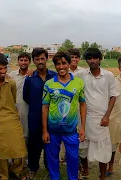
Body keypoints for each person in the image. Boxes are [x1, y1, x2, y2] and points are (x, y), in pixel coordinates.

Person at [75, 48, 119, 180]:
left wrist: (107, 116)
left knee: (103, 150)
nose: (92, 61)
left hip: (101, 119)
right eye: (89, 58)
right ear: (87, 60)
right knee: (83, 148)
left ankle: (103, 176)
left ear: (100, 59)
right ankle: (86, 172)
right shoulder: (81, 74)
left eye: (95, 58)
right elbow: (66, 77)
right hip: (84, 118)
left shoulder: (108, 75)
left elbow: (113, 96)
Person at [42, 51, 86, 180]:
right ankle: (54, 177)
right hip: (52, 130)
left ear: (69, 63)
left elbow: (83, 104)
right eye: (58, 64)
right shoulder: (49, 84)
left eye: (64, 63)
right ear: (55, 66)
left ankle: (73, 177)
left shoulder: (78, 83)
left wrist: (82, 127)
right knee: (52, 158)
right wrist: (44, 130)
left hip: (71, 131)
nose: (61, 67)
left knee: (73, 158)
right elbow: (44, 107)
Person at [0, 53, 27, 180]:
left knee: (21, 151)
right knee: (2, 154)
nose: (3, 71)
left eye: (5, 68)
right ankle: (4, 176)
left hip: (13, 119)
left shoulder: (11, 83)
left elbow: (12, 100)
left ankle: (15, 172)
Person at [23, 48, 56, 178]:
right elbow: (26, 97)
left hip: (52, 117)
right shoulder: (30, 78)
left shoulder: (54, 76)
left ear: (47, 59)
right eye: (37, 59)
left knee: (50, 143)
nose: (40, 61)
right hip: (35, 116)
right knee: (34, 144)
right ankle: (33, 167)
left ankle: (50, 167)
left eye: (42, 58)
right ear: (34, 61)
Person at [9, 52, 31, 146]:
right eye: (21, 60)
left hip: (26, 109)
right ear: (18, 62)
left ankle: (24, 157)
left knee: (26, 133)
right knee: (12, 133)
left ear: (29, 62)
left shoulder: (32, 75)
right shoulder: (12, 75)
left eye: (26, 60)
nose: (23, 62)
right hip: (13, 109)